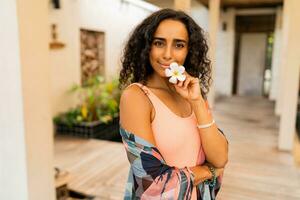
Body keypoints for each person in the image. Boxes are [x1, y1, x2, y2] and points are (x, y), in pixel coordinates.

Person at [118, 8, 228, 200]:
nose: (168, 54)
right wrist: (207, 171)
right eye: (159, 43)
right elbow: (151, 182)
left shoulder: (193, 93)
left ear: (189, 50)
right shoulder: (136, 97)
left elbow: (220, 158)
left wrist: (197, 102)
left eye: (178, 45)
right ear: (146, 46)